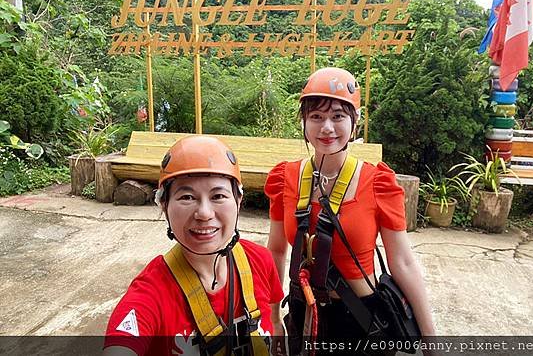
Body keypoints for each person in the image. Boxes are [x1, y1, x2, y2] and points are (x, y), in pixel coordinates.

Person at [265, 67, 435, 353]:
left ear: (354, 122)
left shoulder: (378, 183)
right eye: (316, 117)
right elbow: (276, 252)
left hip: (359, 321)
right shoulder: (285, 178)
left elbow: (403, 261)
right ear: (304, 122)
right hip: (303, 312)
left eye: (338, 116)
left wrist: (430, 338)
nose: (327, 127)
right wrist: (272, 318)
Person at [104, 135, 284, 356]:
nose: (205, 214)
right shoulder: (152, 293)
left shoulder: (260, 261)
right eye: (187, 197)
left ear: (238, 201)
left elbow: (275, 323)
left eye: (218, 196)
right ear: (164, 205)